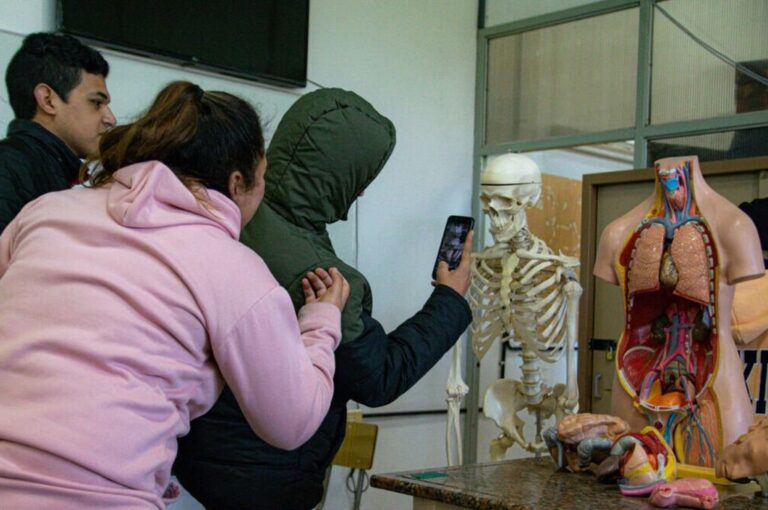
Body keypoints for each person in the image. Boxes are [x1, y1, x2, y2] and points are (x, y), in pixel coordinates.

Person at [0, 81, 349, 509]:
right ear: (239, 182)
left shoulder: (46, 210)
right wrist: (321, 322)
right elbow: (291, 422)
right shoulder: (232, 267)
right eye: (263, 176)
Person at [174, 88, 474, 509]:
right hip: (268, 478)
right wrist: (450, 297)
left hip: (196, 462)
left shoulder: (228, 220)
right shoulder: (321, 275)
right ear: (337, 174)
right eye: (361, 178)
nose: (363, 193)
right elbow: (381, 377)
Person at [0, 32, 116, 233]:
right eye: (96, 103)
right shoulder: (9, 166)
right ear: (47, 100)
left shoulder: (55, 169)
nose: (110, 119)